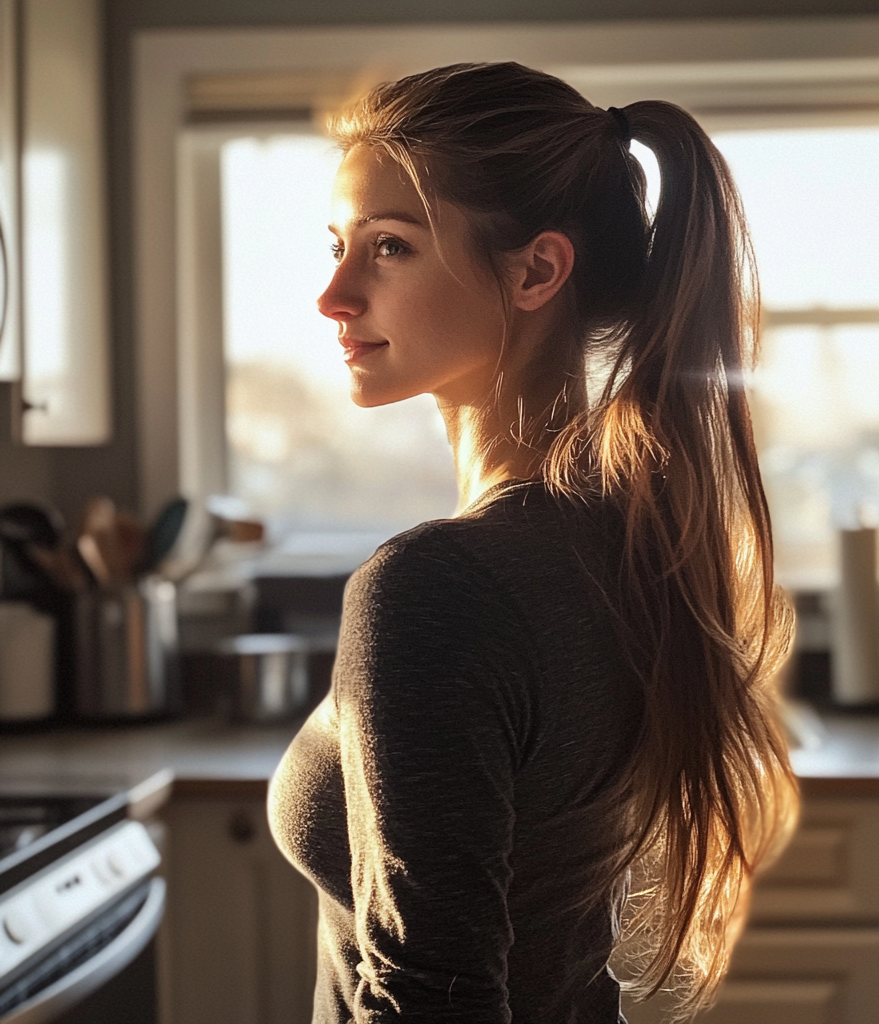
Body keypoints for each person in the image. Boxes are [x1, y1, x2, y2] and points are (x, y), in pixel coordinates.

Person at [268, 61, 797, 1024]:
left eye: (389, 247)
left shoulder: (436, 587)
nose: (333, 296)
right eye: (339, 244)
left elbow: (434, 1004)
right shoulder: (629, 536)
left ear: (536, 272)